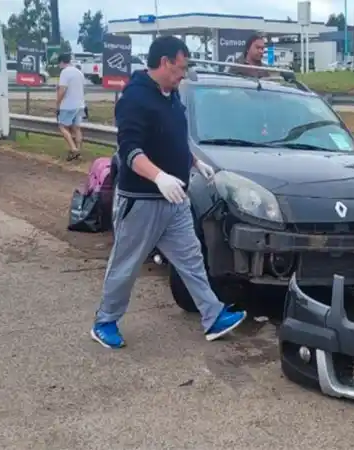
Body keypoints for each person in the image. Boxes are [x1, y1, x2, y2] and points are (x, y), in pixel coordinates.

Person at [91, 36, 247, 349]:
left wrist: (194, 162)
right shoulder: (134, 98)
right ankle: (105, 320)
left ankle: (212, 315)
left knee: (191, 259)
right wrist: (159, 176)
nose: (182, 75)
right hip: (141, 202)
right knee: (126, 263)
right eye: (179, 68)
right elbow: (130, 150)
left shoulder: (171, 96)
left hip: (174, 201)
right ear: (164, 63)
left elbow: (175, 138)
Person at [55, 53, 85, 160]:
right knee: (77, 128)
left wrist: (57, 103)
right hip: (80, 104)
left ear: (62, 62)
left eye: (59, 64)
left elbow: (62, 90)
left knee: (62, 126)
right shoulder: (79, 72)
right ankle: (78, 151)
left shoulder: (64, 72)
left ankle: (73, 149)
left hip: (67, 105)